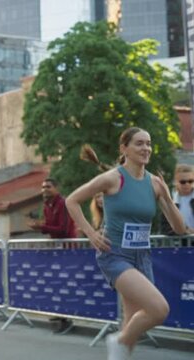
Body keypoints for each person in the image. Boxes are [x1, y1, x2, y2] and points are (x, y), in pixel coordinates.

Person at [66, 128, 189, 360]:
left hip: (141, 257)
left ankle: (121, 346)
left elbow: (180, 228)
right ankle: (118, 340)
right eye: (139, 143)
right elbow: (71, 200)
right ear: (124, 148)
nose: (146, 149)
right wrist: (91, 234)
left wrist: (167, 197)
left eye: (149, 144)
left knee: (131, 324)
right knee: (159, 309)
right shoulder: (113, 178)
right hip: (115, 255)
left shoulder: (154, 183)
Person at [27, 178, 77, 333]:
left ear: (57, 188)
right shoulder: (46, 205)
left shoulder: (63, 203)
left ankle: (66, 318)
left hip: (68, 250)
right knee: (56, 283)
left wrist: (41, 227)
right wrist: (41, 228)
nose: (44, 190)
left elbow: (62, 229)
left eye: (48, 187)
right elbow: (51, 229)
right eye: (42, 187)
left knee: (66, 284)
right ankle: (59, 316)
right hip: (56, 250)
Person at [160, 165, 194, 240]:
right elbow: (165, 228)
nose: (187, 184)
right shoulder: (169, 201)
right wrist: (185, 231)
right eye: (183, 182)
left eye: (190, 181)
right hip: (178, 248)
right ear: (175, 181)